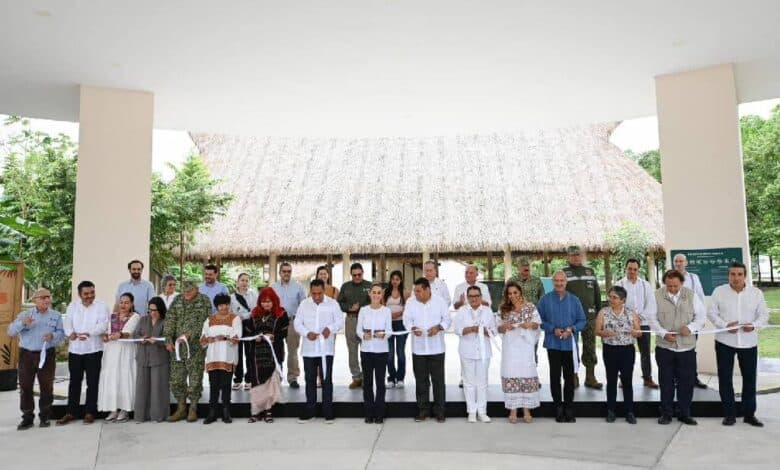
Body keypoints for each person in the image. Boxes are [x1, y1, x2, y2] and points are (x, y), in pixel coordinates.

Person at [708, 262, 769, 427]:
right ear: (728, 275)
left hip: (749, 343)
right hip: (724, 342)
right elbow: (711, 313)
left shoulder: (756, 293)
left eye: (739, 274)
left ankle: (749, 414)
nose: (736, 278)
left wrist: (754, 326)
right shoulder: (719, 291)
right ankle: (729, 415)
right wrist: (724, 325)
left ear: (745, 275)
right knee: (725, 378)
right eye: (732, 274)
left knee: (749, 379)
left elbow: (764, 315)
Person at [648, 269, 705, 426]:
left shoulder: (691, 295)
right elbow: (651, 318)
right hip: (665, 348)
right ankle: (666, 413)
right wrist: (663, 333)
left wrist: (691, 328)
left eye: (675, 286)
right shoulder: (656, 295)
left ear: (681, 283)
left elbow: (701, 317)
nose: (672, 289)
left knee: (686, 383)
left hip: (686, 349)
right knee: (665, 382)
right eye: (669, 285)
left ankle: (684, 413)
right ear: (664, 283)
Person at [7, 288, 65, 430]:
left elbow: (61, 334)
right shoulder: (25, 315)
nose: (46, 300)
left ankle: (45, 416)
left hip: (47, 354)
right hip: (27, 355)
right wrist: (23, 323)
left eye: (48, 297)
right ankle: (27, 417)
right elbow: (10, 331)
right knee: (26, 386)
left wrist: (53, 336)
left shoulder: (56, 315)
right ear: (35, 300)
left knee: (46, 386)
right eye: (43, 297)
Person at [57, 281, 110, 425]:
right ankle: (71, 412)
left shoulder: (101, 306)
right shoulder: (72, 306)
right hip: (75, 350)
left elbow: (103, 324)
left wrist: (90, 333)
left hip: (94, 350)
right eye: (86, 294)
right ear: (79, 294)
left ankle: (90, 412)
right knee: (74, 382)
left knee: (93, 383)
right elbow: (67, 323)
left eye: (92, 293)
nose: (89, 296)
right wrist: (70, 333)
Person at [537, 271, 586, 423]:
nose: (559, 283)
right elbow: (539, 320)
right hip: (553, 344)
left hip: (569, 346)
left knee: (569, 378)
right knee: (555, 377)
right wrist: (552, 329)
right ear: (552, 282)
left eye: (562, 281)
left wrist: (571, 329)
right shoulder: (545, 300)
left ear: (566, 282)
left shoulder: (575, 300)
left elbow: (582, 321)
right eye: (556, 281)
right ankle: (558, 407)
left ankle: (569, 408)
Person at [295, 279, 344, 423]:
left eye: (319, 293)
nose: (316, 296)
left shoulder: (333, 303)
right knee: (309, 380)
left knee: (326, 380)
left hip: (326, 349)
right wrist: (306, 332)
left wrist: (331, 328)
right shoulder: (304, 304)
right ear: (310, 291)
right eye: (314, 293)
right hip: (309, 350)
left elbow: (340, 321)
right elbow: (298, 323)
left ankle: (328, 412)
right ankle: (310, 411)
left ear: (324, 290)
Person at [404, 277, 451, 422]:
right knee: (421, 381)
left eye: (418, 291)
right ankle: (423, 410)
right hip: (418, 349)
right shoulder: (411, 302)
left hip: (436, 348)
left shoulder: (440, 301)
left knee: (438, 381)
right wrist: (412, 328)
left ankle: (440, 411)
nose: (416, 294)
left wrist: (439, 327)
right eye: (415, 291)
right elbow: (406, 320)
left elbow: (447, 319)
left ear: (427, 290)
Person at [164, 279, 212, 423]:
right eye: (184, 291)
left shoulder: (204, 300)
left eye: (189, 291)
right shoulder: (178, 300)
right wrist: (167, 338)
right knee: (176, 379)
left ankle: (193, 408)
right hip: (178, 347)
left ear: (197, 289)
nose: (186, 294)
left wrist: (191, 333)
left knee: (195, 378)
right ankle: (181, 408)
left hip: (195, 347)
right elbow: (170, 318)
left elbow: (205, 321)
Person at [595, 286, 642, 424]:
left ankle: (629, 412)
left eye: (615, 297)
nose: (611, 300)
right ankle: (611, 411)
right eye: (610, 297)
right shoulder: (603, 313)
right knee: (611, 380)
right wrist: (605, 333)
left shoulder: (631, 313)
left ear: (623, 300)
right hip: (610, 349)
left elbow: (639, 332)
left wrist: (636, 333)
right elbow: (597, 331)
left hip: (627, 350)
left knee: (627, 380)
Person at [497, 281, 541, 424]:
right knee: (511, 373)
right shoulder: (503, 309)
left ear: (520, 292)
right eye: (509, 293)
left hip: (525, 347)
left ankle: (526, 409)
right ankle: (513, 409)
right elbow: (497, 328)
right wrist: (505, 326)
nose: (512, 296)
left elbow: (537, 324)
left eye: (515, 292)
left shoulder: (530, 307)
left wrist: (529, 324)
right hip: (510, 347)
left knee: (526, 373)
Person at [454, 286, 497, 423]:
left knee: (482, 383)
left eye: (476, 296)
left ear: (481, 297)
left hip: (484, 352)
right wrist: (471, 329)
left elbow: (494, 331)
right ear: (467, 297)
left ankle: (482, 411)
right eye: (471, 296)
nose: (474, 298)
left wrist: (485, 331)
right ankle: (471, 411)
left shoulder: (488, 311)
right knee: (469, 383)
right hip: (467, 351)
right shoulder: (461, 311)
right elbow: (457, 330)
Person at [245, 287, 289, 423]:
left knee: (270, 382)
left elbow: (284, 333)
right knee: (257, 382)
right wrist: (255, 337)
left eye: (269, 301)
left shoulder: (281, 314)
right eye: (263, 301)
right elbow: (248, 332)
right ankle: (256, 411)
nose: (266, 304)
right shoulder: (254, 314)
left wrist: (274, 336)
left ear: (274, 301)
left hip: (273, 353)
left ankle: (268, 410)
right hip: (256, 354)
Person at [562, 245, 602, 389]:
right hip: (570, 318)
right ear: (568, 257)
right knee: (571, 349)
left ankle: (590, 377)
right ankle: (573, 376)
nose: (576, 257)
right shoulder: (563, 273)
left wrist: (599, 314)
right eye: (572, 255)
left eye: (578, 255)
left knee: (590, 347)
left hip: (590, 317)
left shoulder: (590, 271)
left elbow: (597, 294)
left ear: (582, 256)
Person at [98, 292, 141, 422]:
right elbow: (107, 332)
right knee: (112, 378)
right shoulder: (112, 316)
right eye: (121, 302)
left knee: (124, 378)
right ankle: (113, 409)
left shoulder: (135, 316)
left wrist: (120, 335)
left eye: (127, 302)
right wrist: (105, 336)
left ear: (132, 304)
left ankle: (125, 410)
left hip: (126, 351)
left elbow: (128, 332)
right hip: (111, 351)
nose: (123, 305)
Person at [615, 258, 658, 388]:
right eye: (630, 269)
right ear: (626, 269)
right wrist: (630, 319)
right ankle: (624, 378)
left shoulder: (645, 285)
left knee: (645, 352)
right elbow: (616, 304)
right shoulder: (619, 284)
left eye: (635, 269)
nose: (632, 271)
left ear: (638, 270)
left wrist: (639, 317)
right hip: (625, 324)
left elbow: (651, 304)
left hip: (643, 323)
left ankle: (647, 378)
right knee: (625, 353)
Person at [199, 293, 242, 424]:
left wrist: (224, 337)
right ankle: (212, 413)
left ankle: (226, 412)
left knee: (226, 385)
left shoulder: (235, 319)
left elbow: (236, 337)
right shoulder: (209, 319)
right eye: (221, 305)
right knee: (213, 385)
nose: (224, 307)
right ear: (217, 306)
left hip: (227, 356)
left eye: (226, 305)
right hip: (213, 357)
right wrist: (209, 339)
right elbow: (202, 339)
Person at [357, 283, 393, 423]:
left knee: (380, 382)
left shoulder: (386, 311)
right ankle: (368, 413)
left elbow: (389, 331)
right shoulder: (363, 310)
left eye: (379, 293)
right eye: (374, 292)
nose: (376, 295)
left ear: (382, 295)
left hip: (381, 351)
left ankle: (379, 414)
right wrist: (363, 335)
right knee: (367, 383)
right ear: (370, 294)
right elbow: (358, 330)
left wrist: (382, 334)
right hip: (366, 351)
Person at [673, 253, 708, 389]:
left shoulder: (694, 278)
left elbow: (700, 297)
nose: (679, 263)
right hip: (674, 321)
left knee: (691, 350)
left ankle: (693, 378)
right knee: (675, 350)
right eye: (676, 261)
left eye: (681, 261)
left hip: (691, 322)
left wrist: (701, 318)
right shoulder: (669, 277)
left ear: (686, 263)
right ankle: (676, 379)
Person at [133, 297, 170, 422]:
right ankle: (141, 415)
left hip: (159, 359)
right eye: (150, 310)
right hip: (143, 358)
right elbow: (135, 335)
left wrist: (158, 341)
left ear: (160, 310)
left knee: (158, 388)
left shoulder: (166, 321)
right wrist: (142, 338)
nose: (152, 313)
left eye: (155, 310)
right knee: (141, 388)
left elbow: (169, 338)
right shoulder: (143, 319)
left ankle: (158, 415)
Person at [271, 262, 306, 388]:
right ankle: (277, 377)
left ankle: (293, 378)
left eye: (289, 271)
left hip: (292, 322)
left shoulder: (298, 287)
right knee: (277, 350)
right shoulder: (273, 287)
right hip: (277, 323)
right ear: (280, 272)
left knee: (292, 351)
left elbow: (304, 306)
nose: (286, 273)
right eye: (284, 271)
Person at [337, 262, 372, 389]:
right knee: (352, 350)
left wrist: (362, 308)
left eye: (359, 274)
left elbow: (375, 302)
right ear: (351, 275)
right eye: (354, 275)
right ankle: (356, 377)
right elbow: (339, 303)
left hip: (366, 321)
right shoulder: (345, 286)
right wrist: (349, 308)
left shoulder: (369, 286)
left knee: (367, 349)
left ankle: (367, 377)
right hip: (351, 320)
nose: (357, 277)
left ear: (363, 273)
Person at [231, 272, 258, 390]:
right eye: (242, 280)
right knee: (237, 353)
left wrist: (245, 316)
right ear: (237, 282)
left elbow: (256, 310)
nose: (244, 283)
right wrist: (237, 317)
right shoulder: (232, 297)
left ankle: (249, 379)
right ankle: (237, 379)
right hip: (236, 326)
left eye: (247, 281)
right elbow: (230, 312)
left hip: (249, 326)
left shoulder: (253, 295)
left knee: (250, 353)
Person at [385, 270, 409, 388]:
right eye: (393, 279)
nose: (395, 281)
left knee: (400, 352)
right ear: (390, 280)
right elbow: (381, 308)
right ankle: (391, 378)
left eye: (397, 279)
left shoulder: (405, 293)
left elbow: (408, 308)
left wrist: (399, 313)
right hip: (388, 325)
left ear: (400, 281)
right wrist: (389, 315)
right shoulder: (385, 292)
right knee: (389, 353)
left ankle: (400, 378)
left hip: (401, 324)